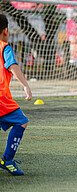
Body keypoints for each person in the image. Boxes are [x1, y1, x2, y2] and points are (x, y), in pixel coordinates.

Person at [0, 14, 32, 175]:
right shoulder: (4, 47)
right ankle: (7, 159)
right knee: (21, 121)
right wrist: (25, 85)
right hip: (2, 100)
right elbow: (12, 65)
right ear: (5, 30)